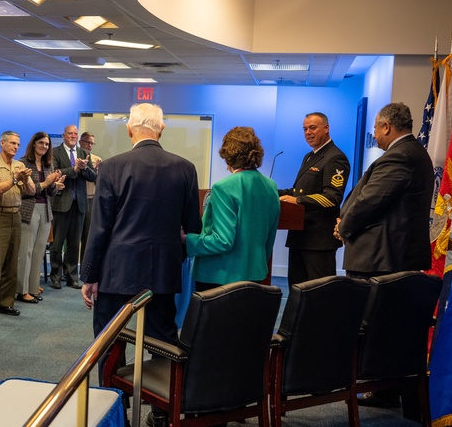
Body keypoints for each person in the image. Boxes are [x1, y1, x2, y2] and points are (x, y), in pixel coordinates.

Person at [81, 102, 200, 427]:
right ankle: (163, 413)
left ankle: (118, 418)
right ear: (161, 130)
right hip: (163, 270)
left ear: (130, 130)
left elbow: (100, 228)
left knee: (109, 339)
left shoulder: (113, 166)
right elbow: (192, 225)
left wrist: (90, 276)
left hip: (117, 270)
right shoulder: (185, 168)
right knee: (163, 339)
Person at [336, 102, 435, 278]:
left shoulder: (400, 155)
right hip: (388, 258)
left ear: (386, 127)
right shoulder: (412, 151)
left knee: (369, 305)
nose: (374, 135)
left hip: (380, 259)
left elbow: (369, 201)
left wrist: (343, 228)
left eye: (375, 129)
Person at [185, 127, 279, 290]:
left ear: (227, 153)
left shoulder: (224, 188)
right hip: (254, 274)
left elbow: (222, 241)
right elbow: (269, 239)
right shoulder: (271, 186)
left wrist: (187, 239)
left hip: (219, 276)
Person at [278, 113, 350, 285]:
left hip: (318, 241)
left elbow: (332, 198)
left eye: (313, 128)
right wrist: (271, 191)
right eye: (305, 129)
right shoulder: (309, 156)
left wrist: (299, 201)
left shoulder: (335, 157)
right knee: (297, 289)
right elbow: (296, 191)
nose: (308, 132)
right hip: (299, 236)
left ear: (326, 128)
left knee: (319, 295)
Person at [0, 131, 34, 320]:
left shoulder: (19, 165)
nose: (15, 146)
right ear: (2, 143)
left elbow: (32, 190)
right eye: (12, 143)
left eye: (18, 144)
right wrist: (14, 179)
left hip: (15, 215)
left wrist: (25, 179)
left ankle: (5, 302)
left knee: (12, 263)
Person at [16, 132, 63, 303]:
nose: (44, 146)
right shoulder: (22, 163)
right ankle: (22, 290)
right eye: (41, 143)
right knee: (25, 251)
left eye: (47, 144)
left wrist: (54, 183)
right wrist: (46, 182)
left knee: (39, 251)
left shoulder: (47, 164)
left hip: (45, 209)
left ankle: (33, 286)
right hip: (29, 209)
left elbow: (51, 192)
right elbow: (26, 191)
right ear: (33, 144)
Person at [50, 124, 95, 289]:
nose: (73, 136)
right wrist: (74, 169)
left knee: (74, 244)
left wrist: (83, 169)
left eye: (75, 134)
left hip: (79, 204)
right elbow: (56, 173)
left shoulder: (84, 153)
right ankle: (55, 275)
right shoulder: (55, 153)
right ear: (63, 136)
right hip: (61, 203)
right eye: (70, 134)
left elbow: (93, 176)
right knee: (57, 242)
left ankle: (72, 277)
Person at [79, 131, 101, 264]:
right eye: (88, 142)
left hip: (91, 199)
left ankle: (83, 266)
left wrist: (96, 170)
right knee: (73, 237)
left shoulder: (96, 159)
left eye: (92, 143)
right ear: (81, 142)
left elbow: (99, 182)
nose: (90, 145)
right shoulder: (74, 157)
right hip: (76, 199)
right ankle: (67, 271)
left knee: (87, 237)